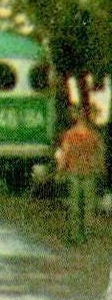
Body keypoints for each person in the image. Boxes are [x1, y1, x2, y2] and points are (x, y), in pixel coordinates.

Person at [57, 104, 104, 244]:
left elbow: (64, 154)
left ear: (77, 119)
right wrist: (100, 169)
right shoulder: (94, 135)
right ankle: (87, 234)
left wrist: (60, 170)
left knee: (75, 205)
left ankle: (75, 235)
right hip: (89, 173)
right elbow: (100, 154)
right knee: (88, 205)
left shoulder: (70, 135)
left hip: (74, 172)